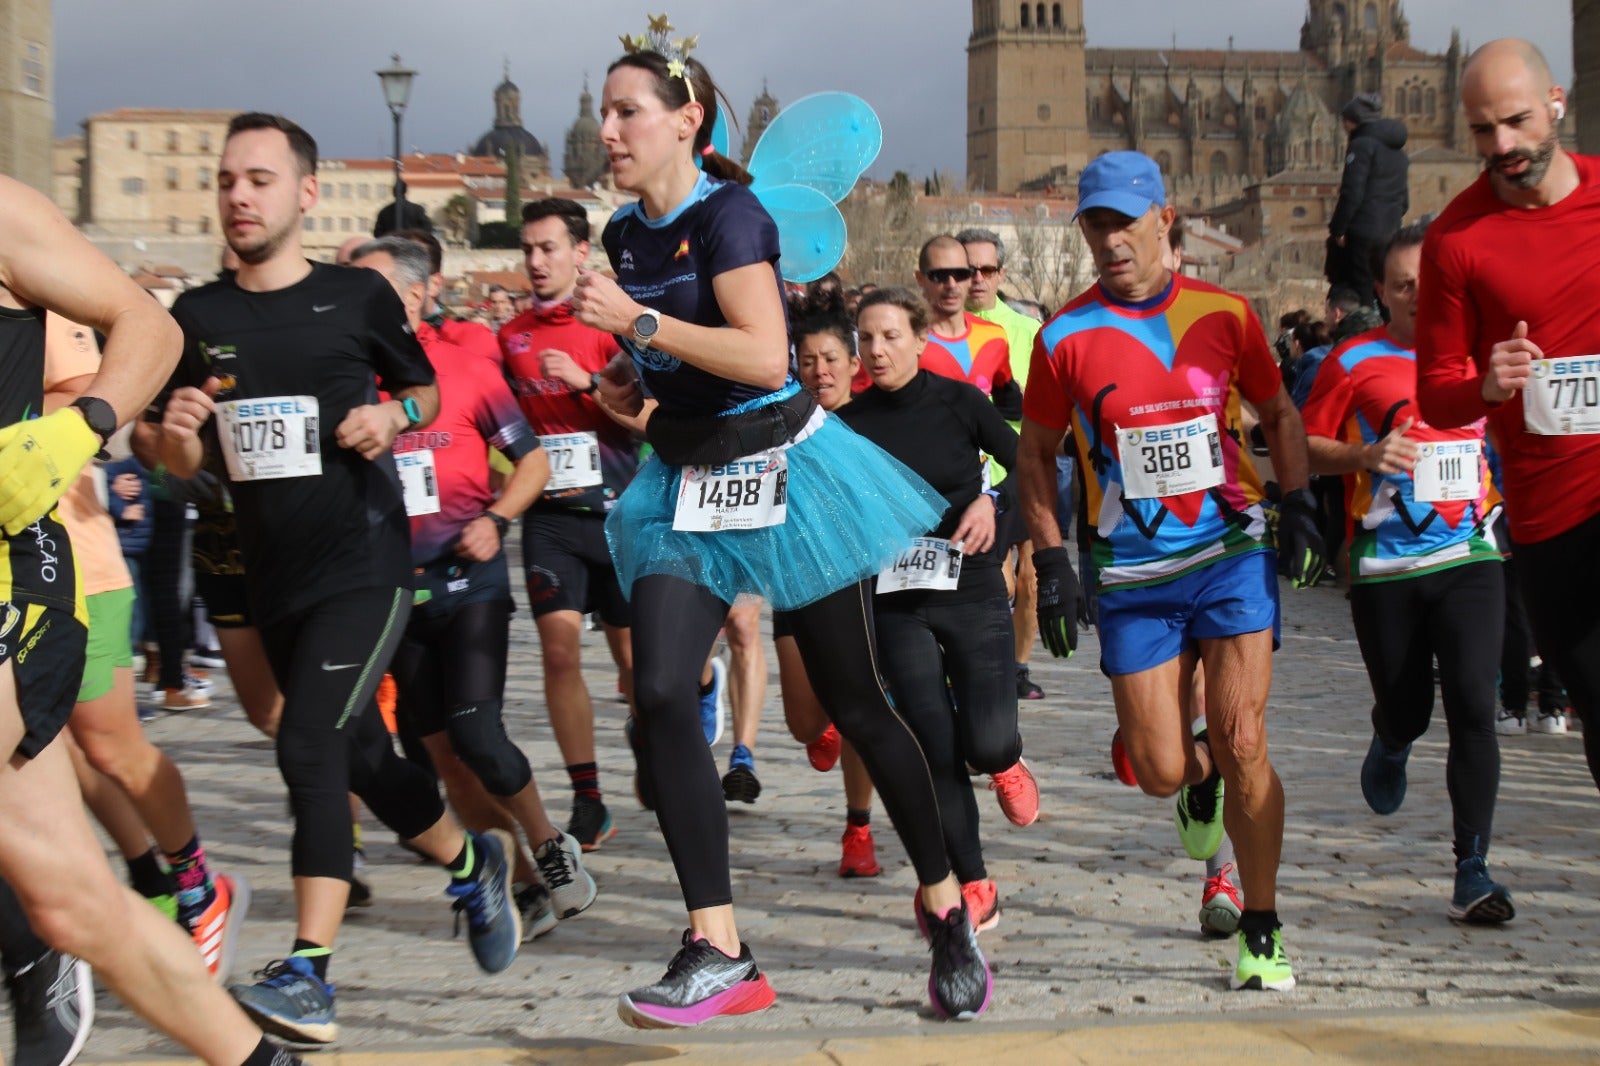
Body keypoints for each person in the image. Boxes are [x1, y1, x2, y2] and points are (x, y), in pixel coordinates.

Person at [574, 37, 990, 1025]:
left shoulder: (731, 214)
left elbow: (765, 356)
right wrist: (624, 382)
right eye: (602, 111)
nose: (607, 130)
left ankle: (944, 902)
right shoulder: (626, 234)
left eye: (627, 110)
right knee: (663, 692)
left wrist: (636, 325)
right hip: (684, 476)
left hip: (787, 468)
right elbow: (678, 362)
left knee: (855, 699)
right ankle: (717, 947)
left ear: (685, 122)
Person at [158, 112, 520, 1045]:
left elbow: (426, 390)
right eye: (228, 180)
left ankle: (309, 971)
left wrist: (392, 417)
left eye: (261, 180)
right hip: (274, 575)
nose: (240, 195)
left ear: (305, 194)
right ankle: (470, 865)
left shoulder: (356, 297)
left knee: (308, 747)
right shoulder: (196, 317)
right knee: (358, 753)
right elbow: (170, 455)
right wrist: (180, 428)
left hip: (365, 563)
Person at [0, 174, 305, 1066]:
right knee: (71, 904)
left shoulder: (6, 213)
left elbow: (152, 326)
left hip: (13, 581)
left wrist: (76, 428)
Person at [1016, 150, 1325, 993]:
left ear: (1165, 219)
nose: (1110, 239)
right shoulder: (1063, 336)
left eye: (1124, 221)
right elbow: (1035, 453)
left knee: (1246, 738)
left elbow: (1280, 410)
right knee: (1159, 770)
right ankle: (1199, 782)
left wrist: (1297, 505)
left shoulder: (1224, 313)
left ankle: (1260, 927)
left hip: (1229, 550)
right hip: (1133, 570)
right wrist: (1050, 556)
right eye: (1095, 224)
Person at [353, 235, 596, 933]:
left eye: (377, 292)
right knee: (443, 763)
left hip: (470, 580)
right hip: (395, 592)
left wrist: (497, 518)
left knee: (478, 736)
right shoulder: (344, 377)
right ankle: (519, 879)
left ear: (420, 294)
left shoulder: (464, 364)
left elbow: (534, 463)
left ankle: (549, 842)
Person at [1302, 221, 1512, 922]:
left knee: (1474, 706)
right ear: (1384, 294)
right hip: (1387, 566)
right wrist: (1363, 458)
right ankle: (1391, 734)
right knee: (1409, 709)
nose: (1422, 296)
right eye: (1405, 285)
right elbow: (1303, 447)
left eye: (1433, 281)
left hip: (1471, 556)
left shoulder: (1487, 354)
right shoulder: (1354, 361)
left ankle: (1473, 867)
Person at [1414, 38, 1600, 792]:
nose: (1505, 145)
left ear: (1556, 100)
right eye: (1484, 131)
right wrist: (1487, 388)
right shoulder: (1457, 238)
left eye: (1518, 122)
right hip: (1550, 515)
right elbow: (1435, 390)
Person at [842, 287, 1030, 932]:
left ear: (921, 339)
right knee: (933, 751)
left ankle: (1006, 759)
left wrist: (992, 504)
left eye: (891, 336)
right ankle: (975, 882)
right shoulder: (851, 422)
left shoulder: (959, 401)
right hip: (898, 603)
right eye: (866, 338)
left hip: (971, 587)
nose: (877, 350)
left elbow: (1028, 466)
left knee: (985, 740)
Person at [499, 197, 646, 847]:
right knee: (559, 654)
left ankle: (652, 738)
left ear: (580, 252)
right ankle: (588, 796)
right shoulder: (511, 337)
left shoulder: (613, 325)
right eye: (528, 249)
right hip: (551, 520)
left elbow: (648, 418)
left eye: (548, 248)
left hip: (620, 515)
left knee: (634, 661)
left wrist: (589, 383)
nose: (535, 261)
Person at [783, 312, 880, 877]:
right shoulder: (779, 423)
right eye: (809, 360)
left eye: (831, 359)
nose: (821, 370)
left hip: (862, 585)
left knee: (861, 707)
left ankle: (858, 829)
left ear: (852, 364)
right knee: (803, 724)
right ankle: (827, 724)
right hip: (797, 580)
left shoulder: (872, 422)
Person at [957, 227, 1048, 702]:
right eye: (965, 269)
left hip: (1022, 470)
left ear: (1001, 274)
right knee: (998, 578)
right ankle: (980, 666)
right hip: (970, 475)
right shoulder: (932, 331)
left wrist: (1018, 407)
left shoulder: (1026, 331)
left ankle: (1017, 667)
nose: (975, 279)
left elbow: (1048, 407)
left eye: (986, 269)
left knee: (1030, 579)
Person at [1326, 92, 1408, 302]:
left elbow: (1352, 193)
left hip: (1363, 234)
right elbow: (1404, 200)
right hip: (1390, 230)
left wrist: (1338, 229)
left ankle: (1368, 332)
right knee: (1384, 288)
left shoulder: (1361, 146)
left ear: (1353, 121)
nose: (1343, 126)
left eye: (1345, 120)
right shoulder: (1398, 152)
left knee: (1363, 292)